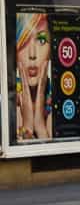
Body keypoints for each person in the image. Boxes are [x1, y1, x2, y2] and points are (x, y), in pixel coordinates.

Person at [14, 12, 52, 141]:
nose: (32, 54)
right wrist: (28, 126)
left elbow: (53, 159)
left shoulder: (57, 102)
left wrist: (40, 127)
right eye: (23, 42)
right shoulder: (9, 105)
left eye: (41, 40)